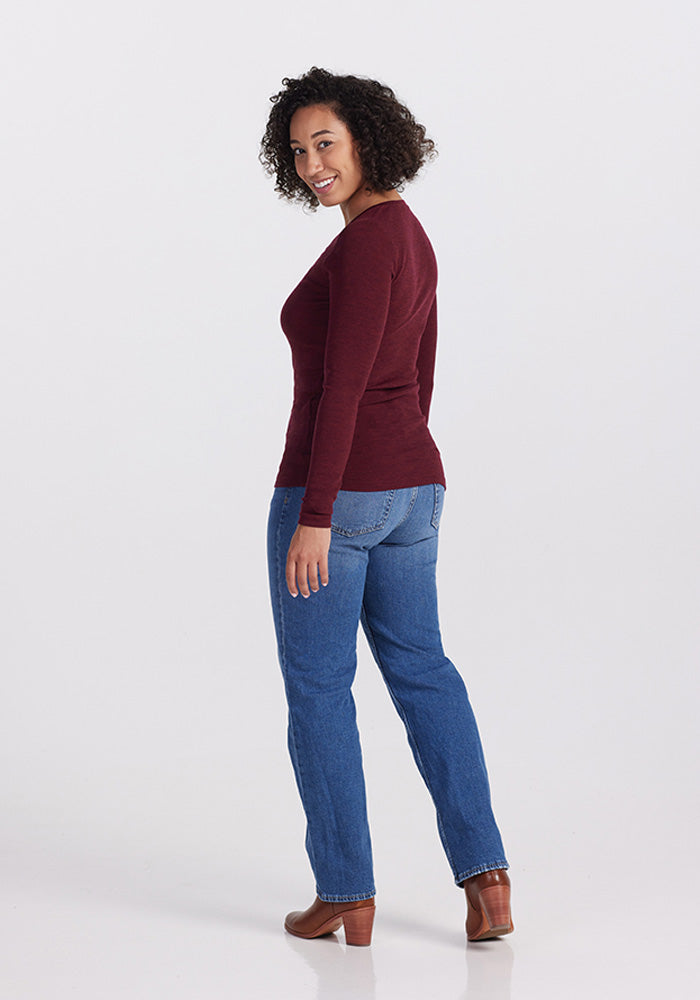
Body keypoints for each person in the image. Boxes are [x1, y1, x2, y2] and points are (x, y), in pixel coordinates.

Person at [259, 66, 513, 947]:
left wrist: (318, 512)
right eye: (297, 151)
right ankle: (488, 883)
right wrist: (407, 467)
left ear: (367, 136)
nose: (311, 163)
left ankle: (346, 892)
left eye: (325, 142)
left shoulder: (368, 241)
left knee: (320, 691)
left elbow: (344, 386)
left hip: (339, 493)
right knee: (425, 673)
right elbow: (420, 370)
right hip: (413, 488)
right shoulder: (410, 233)